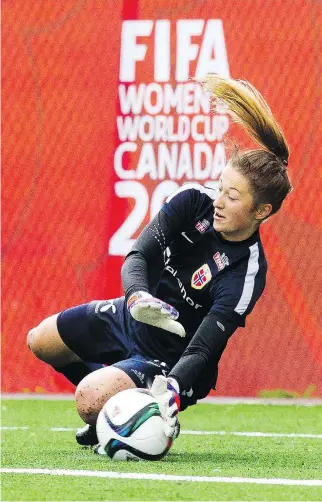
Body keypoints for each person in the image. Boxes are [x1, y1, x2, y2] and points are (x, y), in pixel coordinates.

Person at [27, 75, 292, 452]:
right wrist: (136, 297)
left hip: (171, 358)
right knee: (40, 341)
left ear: (261, 211)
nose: (218, 201)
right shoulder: (192, 203)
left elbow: (203, 350)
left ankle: (124, 408)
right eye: (220, 188)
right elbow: (138, 256)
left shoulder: (246, 270)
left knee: (88, 398)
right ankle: (115, 413)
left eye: (232, 197)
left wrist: (172, 387)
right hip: (132, 315)